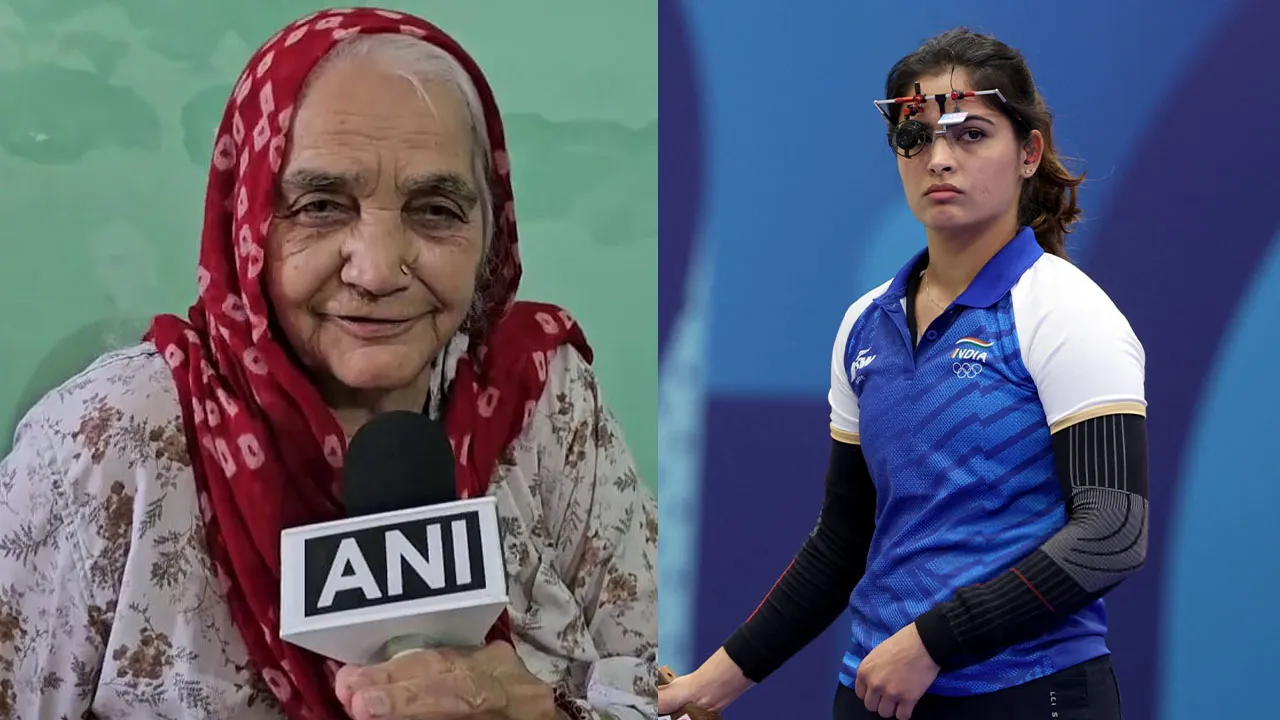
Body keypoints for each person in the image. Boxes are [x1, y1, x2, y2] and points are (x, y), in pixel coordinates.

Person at [0, 8, 656, 720]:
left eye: (435, 210)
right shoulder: (110, 439)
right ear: (246, 220)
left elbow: (677, 688)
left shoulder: (541, 396)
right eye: (319, 205)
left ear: (490, 231)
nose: (376, 270)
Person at [658, 28, 1147, 720]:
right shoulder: (865, 325)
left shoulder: (1067, 312)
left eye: (971, 134)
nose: (939, 158)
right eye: (915, 137)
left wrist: (932, 642)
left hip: (1031, 695)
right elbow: (842, 543)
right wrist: (700, 690)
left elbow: (1113, 532)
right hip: (874, 695)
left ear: (1028, 153)